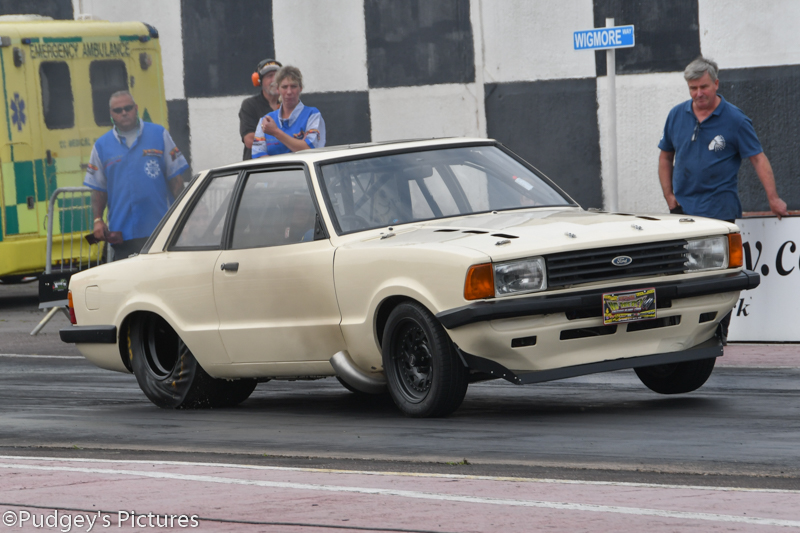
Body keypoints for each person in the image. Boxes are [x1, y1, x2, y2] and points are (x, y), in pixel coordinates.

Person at [658, 56, 788, 223]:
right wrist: (669, 197)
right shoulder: (676, 115)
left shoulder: (736, 120)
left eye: (704, 87)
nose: (699, 94)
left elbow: (758, 159)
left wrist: (773, 198)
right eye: (693, 88)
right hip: (682, 213)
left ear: (716, 84)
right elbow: (665, 158)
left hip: (721, 213)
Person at [84, 90, 189, 261]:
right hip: (122, 233)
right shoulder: (101, 146)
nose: (124, 113)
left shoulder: (159, 134)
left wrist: (185, 218)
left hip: (160, 229)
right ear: (111, 114)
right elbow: (98, 190)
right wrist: (97, 220)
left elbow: (176, 182)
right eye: (118, 110)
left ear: (136, 108)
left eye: (128, 108)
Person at [251, 65, 326, 158]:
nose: (289, 92)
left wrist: (276, 132)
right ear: (278, 89)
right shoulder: (266, 120)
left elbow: (309, 150)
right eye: (284, 87)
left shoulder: (312, 115)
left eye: (293, 86)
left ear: (300, 88)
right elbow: (258, 155)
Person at [239, 58, 282, 160]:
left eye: (278, 76)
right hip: (258, 166)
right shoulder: (250, 105)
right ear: (259, 81)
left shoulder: (290, 105)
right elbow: (250, 141)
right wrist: (287, 140)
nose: (274, 80)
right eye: (269, 76)